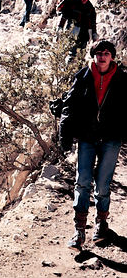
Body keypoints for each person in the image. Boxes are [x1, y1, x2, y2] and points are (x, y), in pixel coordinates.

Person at [58, 40, 127, 251]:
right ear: (93, 55)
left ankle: (101, 225)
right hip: (87, 137)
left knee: (103, 184)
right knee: (83, 181)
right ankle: (79, 231)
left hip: (111, 138)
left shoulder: (123, 79)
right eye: (98, 53)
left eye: (106, 53)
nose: (102, 56)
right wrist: (65, 135)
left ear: (112, 56)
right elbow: (69, 105)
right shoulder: (83, 76)